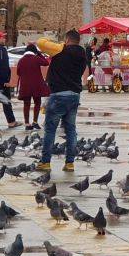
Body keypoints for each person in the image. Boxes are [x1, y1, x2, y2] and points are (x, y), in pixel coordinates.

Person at [38, 29, 88, 172]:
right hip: (74, 95)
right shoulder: (82, 54)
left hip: (59, 95)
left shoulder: (60, 50)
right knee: (71, 130)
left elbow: (40, 42)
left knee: (50, 130)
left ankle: (46, 162)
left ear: (67, 40)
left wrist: (60, 45)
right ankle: (69, 163)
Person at [15, 43, 50, 131]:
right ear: (34, 51)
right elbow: (46, 63)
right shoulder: (36, 58)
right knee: (37, 103)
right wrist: (39, 54)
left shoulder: (21, 60)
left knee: (26, 104)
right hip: (36, 85)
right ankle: (35, 122)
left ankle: (27, 123)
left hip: (25, 85)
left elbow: (18, 72)